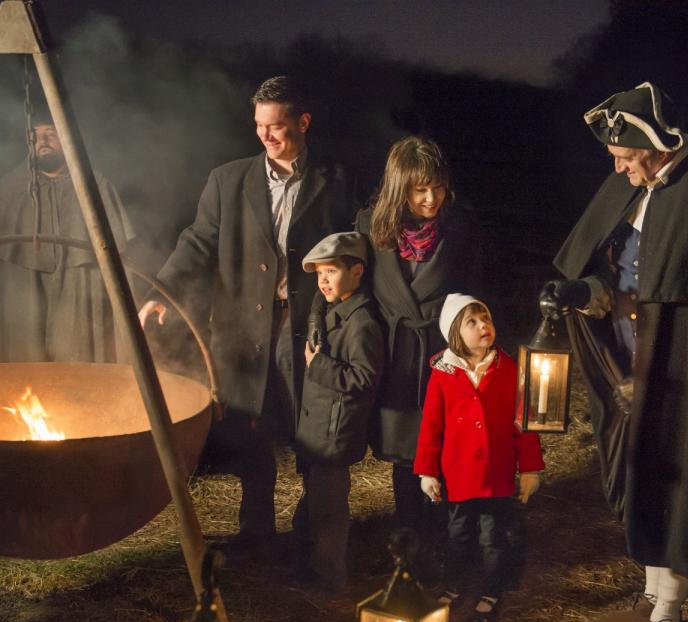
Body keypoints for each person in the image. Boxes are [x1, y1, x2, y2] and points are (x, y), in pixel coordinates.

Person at [546, 81, 688, 622]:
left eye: (625, 158)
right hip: (625, 349)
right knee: (638, 459)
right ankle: (649, 587)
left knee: (678, 462)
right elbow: (607, 265)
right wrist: (584, 291)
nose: (619, 170)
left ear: (658, 145)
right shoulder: (633, 189)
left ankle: (670, 604)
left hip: (682, 359)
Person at [139, 76, 353, 551]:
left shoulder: (333, 180)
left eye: (276, 126)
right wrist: (163, 292)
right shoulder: (228, 179)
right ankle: (255, 533)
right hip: (243, 326)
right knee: (249, 428)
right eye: (259, 126)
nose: (266, 136)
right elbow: (198, 241)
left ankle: (309, 528)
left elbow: (352, 247)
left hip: (307, 325)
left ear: (303, 122)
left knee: (308, 424)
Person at [345, 136, 482, 563]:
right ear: (398, 188)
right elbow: (357, 289)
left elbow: (477, 293)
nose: (430, 199)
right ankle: (407, 537)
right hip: (395, 354)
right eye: (419, 190)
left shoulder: (460, 230)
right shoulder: (371, 225)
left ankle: (444, 538)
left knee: (443, 448)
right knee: (405, 453)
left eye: (437, 187)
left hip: (443, 353)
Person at [414, 294, 544, 622]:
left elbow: (523, 422)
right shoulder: (443, 374)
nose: (483, 326)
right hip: (459, 476)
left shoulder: (507, 368)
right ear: (455, 332)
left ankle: (491, 590)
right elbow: (431, 426)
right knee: (458, 534)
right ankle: (454, 584)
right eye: (472, 322)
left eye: (485, 318)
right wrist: (427, 471)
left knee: (493, 536)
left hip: (496, 474)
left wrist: (529, 467)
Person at [0, 111, 135, 363]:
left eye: (50, 133)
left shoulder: (94, 184)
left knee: (79, 350)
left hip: (79, 282)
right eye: (34, 136)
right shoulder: (8, 188)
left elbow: (118, 257)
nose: (42, 141)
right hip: (24, 284)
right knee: (23, 351)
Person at [292, 232, 384, 590]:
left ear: (357, 272)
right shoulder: (328, 309)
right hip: (319, 429)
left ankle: (329, 582)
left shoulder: (361, 324)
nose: (324, 280)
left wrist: (319, 366)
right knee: (314, 504)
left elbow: (364, 378)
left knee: (329, 514)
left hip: (335, 430)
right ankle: (306, 568)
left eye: (331, 271)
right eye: (319, 274)